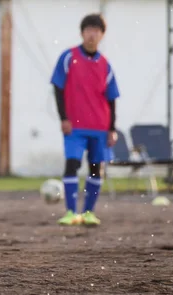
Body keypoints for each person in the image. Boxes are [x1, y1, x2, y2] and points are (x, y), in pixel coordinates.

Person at [50, 14, 120, 227]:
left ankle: (89, 212)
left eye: (97, 31)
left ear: (102, 35)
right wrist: (63, 118)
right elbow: (58, 89)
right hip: (75, 125)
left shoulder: (106, 64)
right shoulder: (68, 57)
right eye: (89, 30)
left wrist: (112, 129)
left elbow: (111, 99)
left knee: (95, 168)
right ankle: (71, 212)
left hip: (100, 126)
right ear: (82, 33)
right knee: (72, 164)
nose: (92, 34)